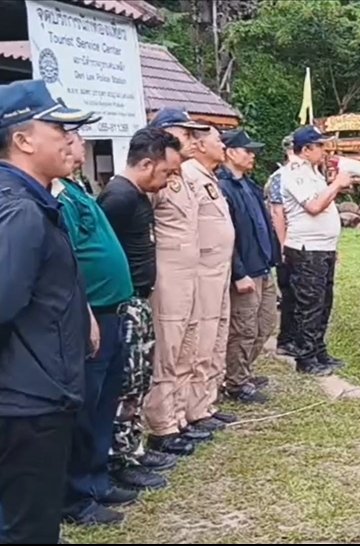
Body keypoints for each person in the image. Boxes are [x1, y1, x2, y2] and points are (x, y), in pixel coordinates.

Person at [0, 79, 96, 543]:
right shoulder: (19, 211)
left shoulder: (34, 202)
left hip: (35, 390)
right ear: (22, 140)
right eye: (59, 128)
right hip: (29, 399)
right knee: (29, 528)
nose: (70, 139)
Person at [56, 133, 140, 525]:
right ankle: (77, 495)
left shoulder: (74, 188)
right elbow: (68, 260)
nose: (79, 143)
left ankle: (98, 478)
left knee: (105, 400)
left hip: (112, 311)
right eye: (70, 136)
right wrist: (86, 309)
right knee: (86, 407)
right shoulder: (52, 196)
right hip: (92, 314)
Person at [97, 126, 184, 491]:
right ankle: (119, 458)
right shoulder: (117, 197)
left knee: (138, 381)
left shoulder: (136, 196)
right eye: (166, 172)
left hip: (138, 300)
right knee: (126, 385)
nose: (167, 182)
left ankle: (133, 446)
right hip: (123, 304)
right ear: (147, 164)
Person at [142, 108, 216, 456]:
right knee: (168, 352)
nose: (191, 138)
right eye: (183, 132)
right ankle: (162, 426)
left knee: (188, 347)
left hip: (192, 275)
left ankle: (181, 417)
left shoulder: (184, 175)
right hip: (168, 276)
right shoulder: (154, 176)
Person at [281, 125, 352, 375]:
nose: (324, 150)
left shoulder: (313, 172)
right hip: (307, 249)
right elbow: (313, 206)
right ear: (306, 149)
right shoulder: (294, 173)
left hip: (323, 248)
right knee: (309, 305)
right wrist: (337, 185)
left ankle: (318, 350)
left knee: (323, 303)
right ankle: (306, 357)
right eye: (320, 145)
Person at [218, 129, 279, 404]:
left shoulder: (249, 185)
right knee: (243, 328)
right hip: (245, 271)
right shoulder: (223, 187)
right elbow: (225, 237)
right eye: (247, 150)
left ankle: (242, 370)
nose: (252, 155)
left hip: (263, 266)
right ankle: (236, 382)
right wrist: (238, 272)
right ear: (230, 152)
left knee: (265, 324)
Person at [180, 124, 234, 433]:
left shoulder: (207, 176)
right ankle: (194, 408)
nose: (223, 145)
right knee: (201, 342)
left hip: (219, 269)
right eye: (217, 140)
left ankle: (207, 402)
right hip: (201, 271)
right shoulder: (189, 175)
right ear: (200, 146)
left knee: (216, 337)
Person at [268, 134, 296, 356]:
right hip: (286, 241)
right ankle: (286, 339)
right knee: (289, 291)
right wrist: (283, 244)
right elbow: (278, 213)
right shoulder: (280, 177)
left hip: (301, 241)